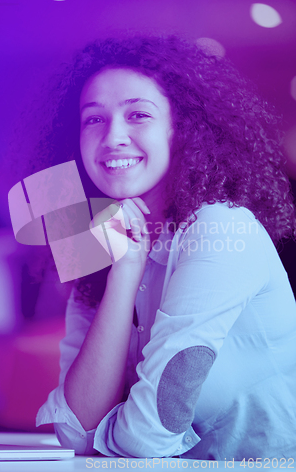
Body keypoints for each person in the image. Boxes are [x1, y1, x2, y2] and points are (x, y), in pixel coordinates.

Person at [32, 36, 296, 460]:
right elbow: (76, 430)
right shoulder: (103, 242)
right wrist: (125, 270)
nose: (113, 136)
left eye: (138, 115)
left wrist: (107, 424)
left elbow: (146, 438)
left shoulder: (221, 230)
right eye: (93, 120)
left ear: (183, 130)